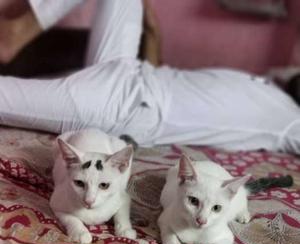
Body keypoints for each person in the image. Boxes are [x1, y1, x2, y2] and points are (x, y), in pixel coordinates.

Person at [0, 0, 299, 154]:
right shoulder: (270, 83)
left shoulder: (291, 122)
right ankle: (19, 31)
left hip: (119, 107)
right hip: (131, 68)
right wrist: (153, 31)